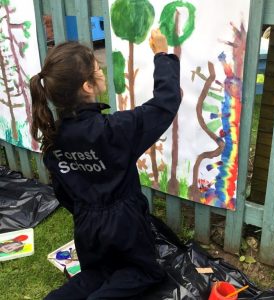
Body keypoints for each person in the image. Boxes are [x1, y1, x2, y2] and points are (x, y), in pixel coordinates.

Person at [30, 29, 181, 300]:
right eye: (98, 68)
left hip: (87, 225)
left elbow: (62, 191)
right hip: (125, 224)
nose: (101, 71)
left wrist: (87, 208)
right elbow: (164, 104)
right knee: (147, 272)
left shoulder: (54, 137)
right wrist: (161, 54)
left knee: (96, 273)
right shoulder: (114, 130)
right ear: (87, 86)